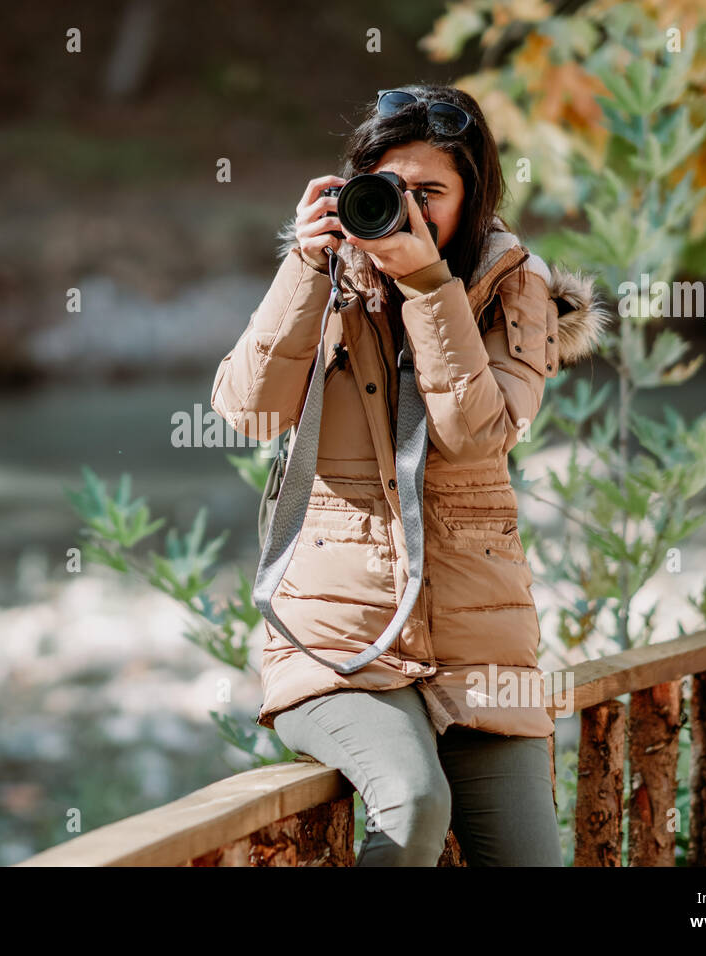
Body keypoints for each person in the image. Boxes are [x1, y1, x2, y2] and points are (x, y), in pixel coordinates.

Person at [210, 83, 609, 866]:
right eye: (393, 189)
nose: (411, 210)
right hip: (338, 645)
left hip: (479, 649)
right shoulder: (324, 275)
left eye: (432, 193)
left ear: (475, 196)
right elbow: (248, 412)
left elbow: (476, 433)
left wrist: (430, 288)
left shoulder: (513, 284)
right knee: (414, 801)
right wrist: (303, 265)